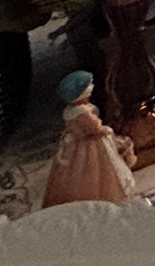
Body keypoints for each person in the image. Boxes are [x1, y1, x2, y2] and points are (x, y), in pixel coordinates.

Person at [41, 71, 137, 208]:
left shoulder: (71, 111)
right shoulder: (82, 112)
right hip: (91, 143)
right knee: (94, 168)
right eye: (89, 85)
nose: (92, 86)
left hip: (75, 143)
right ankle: (100, 194)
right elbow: (95, 128)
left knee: (77, 168)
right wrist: (106, 130)